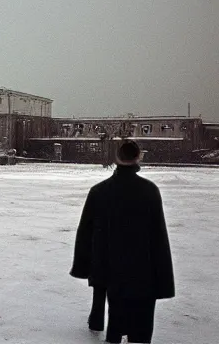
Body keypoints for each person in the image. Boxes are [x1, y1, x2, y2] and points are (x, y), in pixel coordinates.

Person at [70, 140, 174, 343]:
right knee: (142, 313)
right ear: (138, 157)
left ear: (117, 158)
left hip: (108, 263)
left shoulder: (99, 191)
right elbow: (158, 236)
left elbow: (85, 232)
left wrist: (84, 266)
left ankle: (112, 333)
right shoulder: (149, 191)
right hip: (142, 264)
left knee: (115, 310)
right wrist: (162, 276)